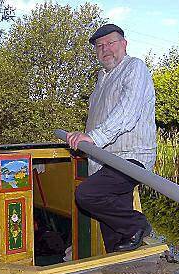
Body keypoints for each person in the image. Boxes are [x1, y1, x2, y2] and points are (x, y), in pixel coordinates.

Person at [66, 24, 156, 253]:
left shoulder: (135, 68)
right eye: (100, 46)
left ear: (124, 44)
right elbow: (98, 120)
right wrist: (83, 141)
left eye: (111, 43)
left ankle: (138, 224)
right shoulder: (102, 79)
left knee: (87, 194)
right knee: (116, 238)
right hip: (105, 163)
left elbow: (127, 111)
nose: (105, 49)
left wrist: (93, 137)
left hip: (130, 158)